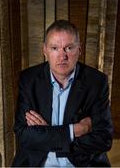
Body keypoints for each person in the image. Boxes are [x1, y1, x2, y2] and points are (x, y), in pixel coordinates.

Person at [12, 19, 113, 167]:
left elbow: (103, 139)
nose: (62, 56)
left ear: (79, 50)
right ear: (45, 51)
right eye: (55, 48)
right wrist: (76, 130)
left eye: (69, 48)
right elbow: (23, 135)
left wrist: (47, 135)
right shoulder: (29, 79)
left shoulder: (96, 82)